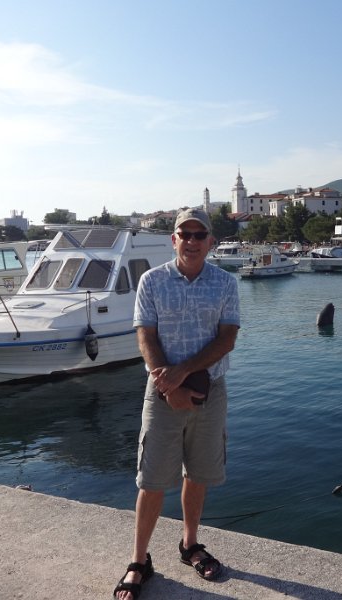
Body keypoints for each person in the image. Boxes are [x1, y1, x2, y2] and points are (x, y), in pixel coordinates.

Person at [114, 208, 240, 600]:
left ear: (210, 242)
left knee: (198, 473)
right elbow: (145, 337)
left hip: (208, 390)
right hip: (162, 390)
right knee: (151, 480)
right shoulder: (151, 281)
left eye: (199, 234)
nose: (191, 240)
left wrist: (182, 373)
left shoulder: (225, 283)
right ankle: (139, 561)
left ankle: (189, 544)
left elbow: (227, 339)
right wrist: (168, 385)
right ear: (174, 240)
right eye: (184, 234)